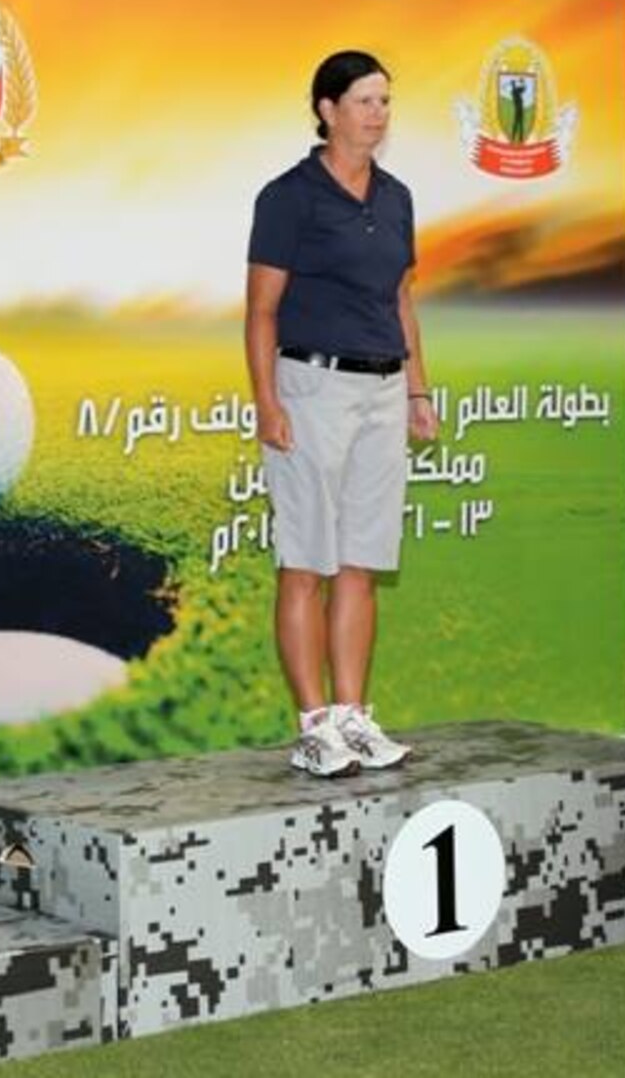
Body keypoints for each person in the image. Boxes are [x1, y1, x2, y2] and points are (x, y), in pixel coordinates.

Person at [245, 50, 440, 778]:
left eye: (385, 101)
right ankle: (314, 725)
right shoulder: (289, 197)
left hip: (383, 391)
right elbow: (261, 310)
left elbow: (400, 299)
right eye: (364, 101)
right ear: (327, 110)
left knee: (360, 561)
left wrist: (419, 390)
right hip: (310, 388)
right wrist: (268, 402)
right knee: (307, 562)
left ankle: (354, 717)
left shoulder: (396, 197)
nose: (378, 114)